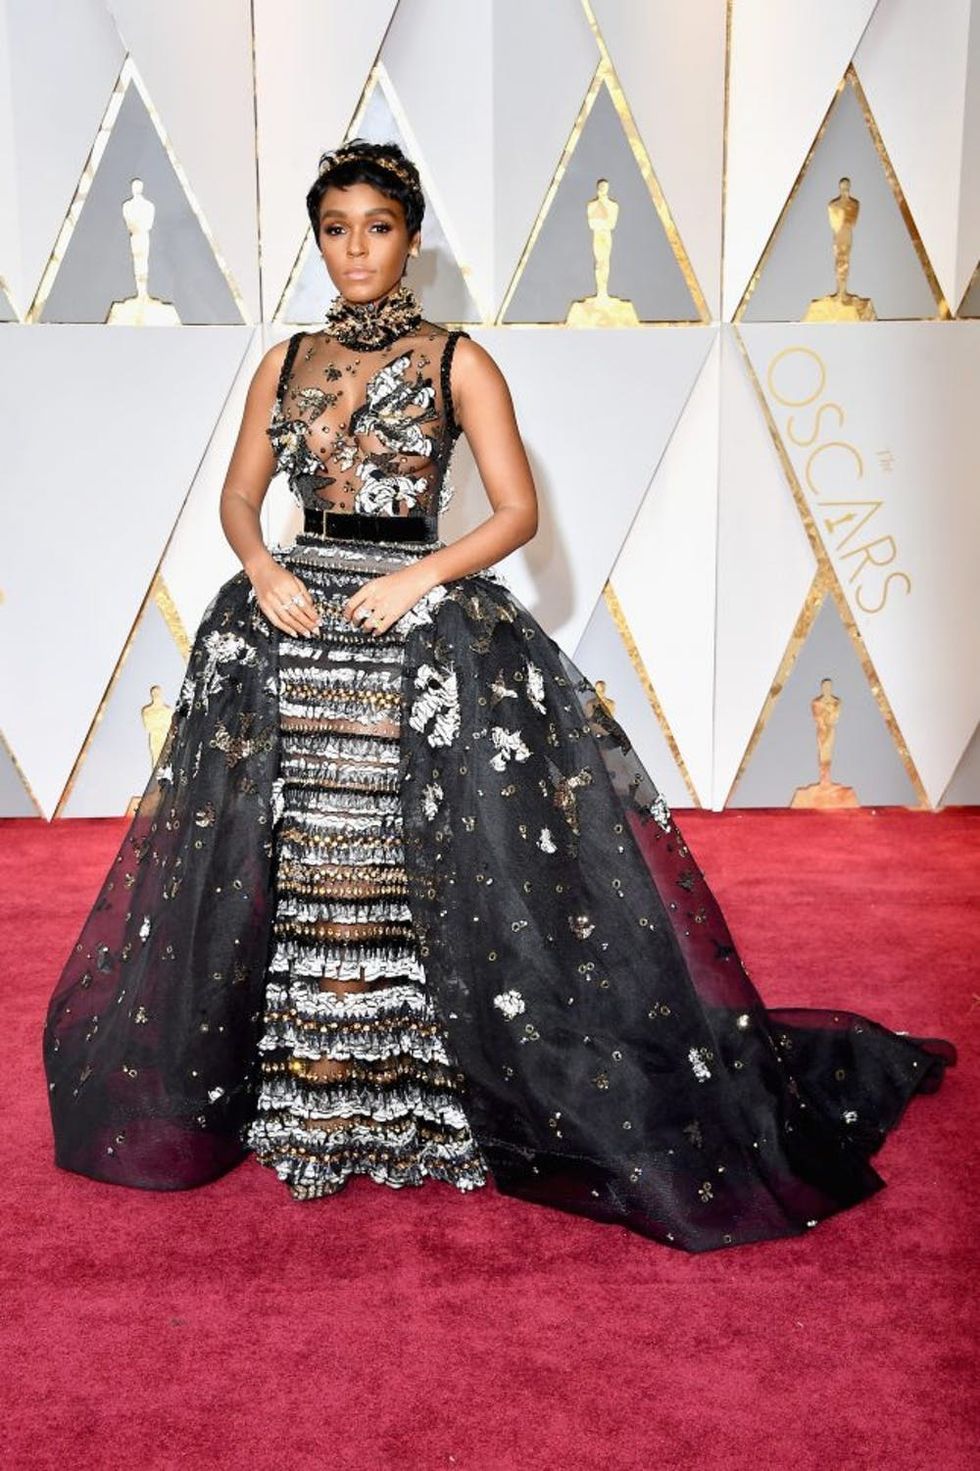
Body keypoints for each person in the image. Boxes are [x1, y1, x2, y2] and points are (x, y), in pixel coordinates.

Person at [42, 139, 957, 1253]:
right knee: (303, 855)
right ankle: (313, 1082)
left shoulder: (456, 361)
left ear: (411, 237)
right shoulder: (283, 362)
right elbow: (241, 497)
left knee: (403, 855)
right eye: (335, 228)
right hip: (289, 624)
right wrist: (268, 570)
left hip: (412, 621)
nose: (354, 249)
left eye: (376, 226)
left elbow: (513, 512)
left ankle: (417, 1090)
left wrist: (418, 575)